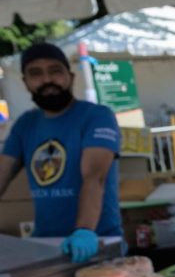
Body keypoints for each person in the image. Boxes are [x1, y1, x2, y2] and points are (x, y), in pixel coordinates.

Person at [0, 42, 122, 262]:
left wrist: (85, 230)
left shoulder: (96, 116)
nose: (47, 80)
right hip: (46, 246)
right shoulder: (25, 125)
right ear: (25, 83)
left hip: (98, 243)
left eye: (55, 71)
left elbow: (95, 176)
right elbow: (2, 171)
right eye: (35, 73)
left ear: (71, 77)